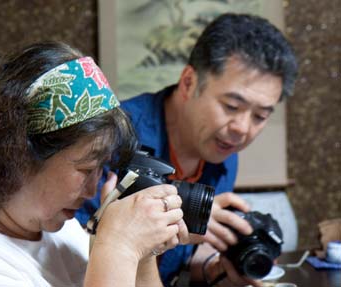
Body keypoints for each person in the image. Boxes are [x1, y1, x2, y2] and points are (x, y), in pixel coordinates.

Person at [0, 42, 190, 286]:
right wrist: (119, 247)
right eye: (85, 169)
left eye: (100, 169)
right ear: (15, 155)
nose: (94, 189)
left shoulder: (47, 225)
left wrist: (141, 254)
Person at [76, 13, 298, 286]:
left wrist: (211, 268)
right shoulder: (112, 137)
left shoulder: (223, 155)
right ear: (189, 82)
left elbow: (173, 260)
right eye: (231, 106)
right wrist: (180, 212)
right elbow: (70, 252)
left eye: (260, 116)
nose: (242, 128)